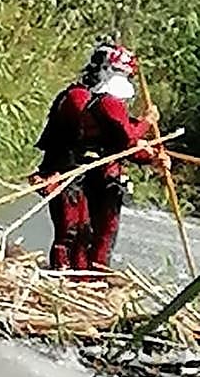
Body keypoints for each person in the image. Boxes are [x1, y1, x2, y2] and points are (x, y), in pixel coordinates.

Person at [31, 38, 170, 271]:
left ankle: (95, 281)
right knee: (74, 231)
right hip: (70, 172)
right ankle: (66, 279)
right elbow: (123, 137)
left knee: (103, 233)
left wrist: (153, 157)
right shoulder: (78, 99)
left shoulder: (110, 104)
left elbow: (120, 142)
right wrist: (146, 123)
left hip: (101, 175)